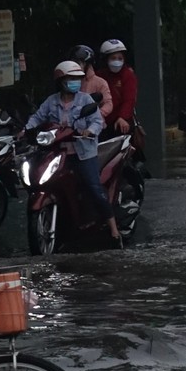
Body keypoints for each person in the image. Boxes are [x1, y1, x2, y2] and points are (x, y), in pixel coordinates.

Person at [25, 60, 121, 246]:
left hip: (83, 153)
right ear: (61, 81)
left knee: (93, 188)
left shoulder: (85, 100)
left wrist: (90, 131)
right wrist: (26, 129)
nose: (75, 82)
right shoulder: (51, 101)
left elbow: (97, 121)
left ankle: (113, 229)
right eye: (71, 79)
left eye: (77, 79)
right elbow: (38, 117)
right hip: (58, 153)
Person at [98, 39, 137, 135]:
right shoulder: (99, 76)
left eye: (120, 58)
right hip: (100, 121)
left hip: (120, 122)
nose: (117, 61)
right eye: (113, 58)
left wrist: (122, 117)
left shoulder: (128, 75)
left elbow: (129, 99)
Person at [71, 44, 111, 119]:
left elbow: (108, 103)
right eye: (73, 63)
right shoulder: (68, 82)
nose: (75, 66)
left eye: (78, 63)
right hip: (72, 125)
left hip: (95, 127)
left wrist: (97, 115)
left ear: (87, 64)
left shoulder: (100, 82)